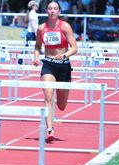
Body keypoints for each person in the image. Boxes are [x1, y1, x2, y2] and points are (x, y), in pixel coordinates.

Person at [33, 0, 77, 142]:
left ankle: (59, 106)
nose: (52, 11)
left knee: (61, 105)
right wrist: (36, 57)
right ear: (46, 11)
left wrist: (64, 55)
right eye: (50, 8)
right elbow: (37, 46)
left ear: (59, 12)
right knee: (48, 97)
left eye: (55, 8)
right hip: (48, 65)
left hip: (63, 66)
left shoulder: (65, 26)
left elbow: (74, 47)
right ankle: (50, 129)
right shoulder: (41, 28)